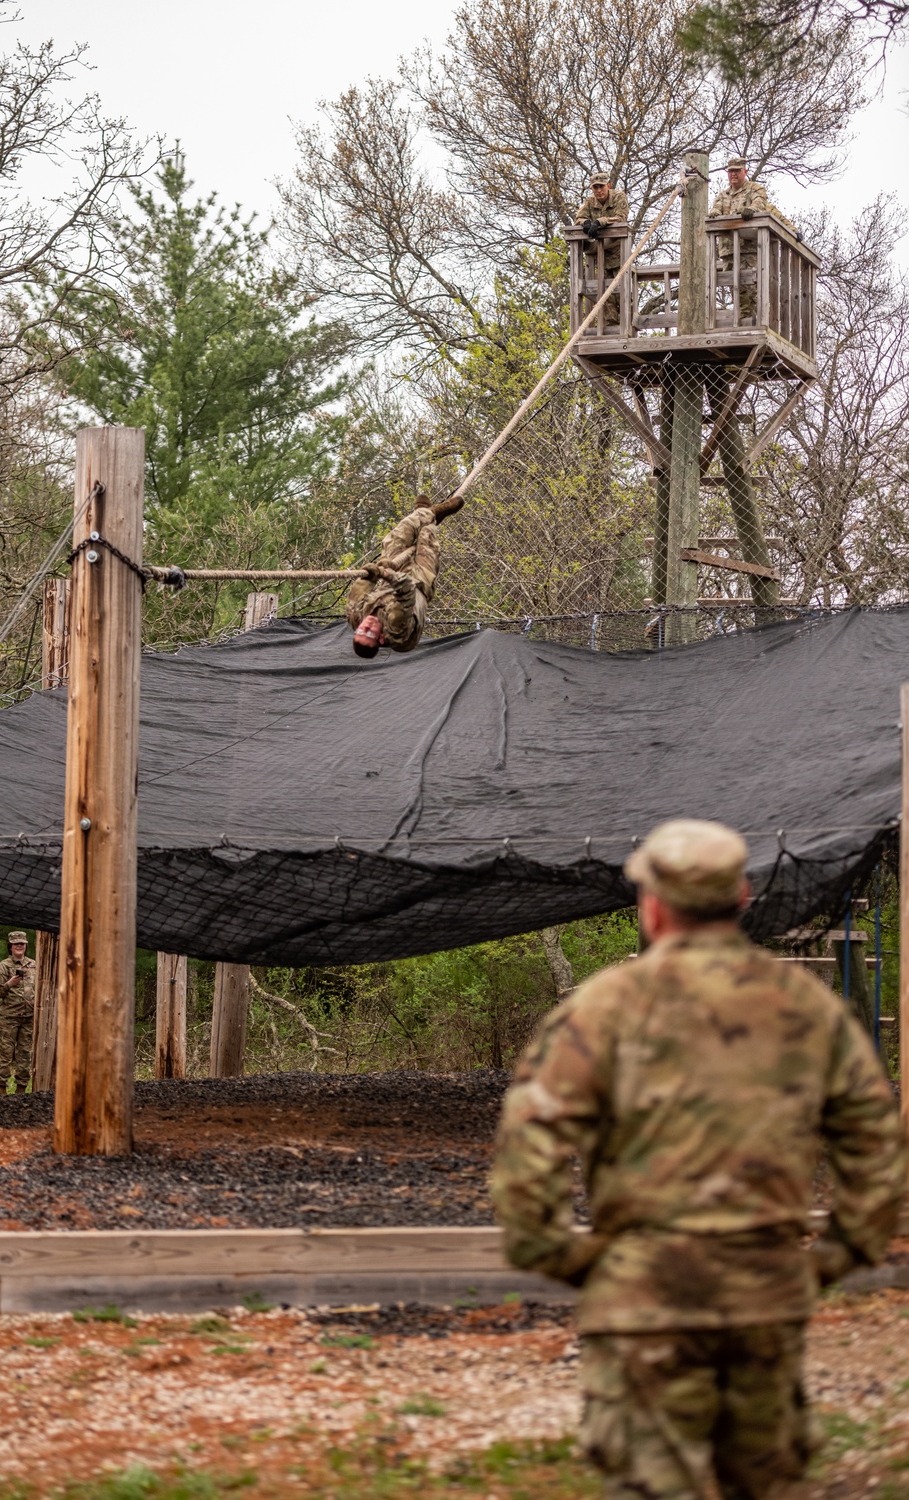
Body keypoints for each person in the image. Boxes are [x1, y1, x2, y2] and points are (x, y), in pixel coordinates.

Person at [491, 818, 906, 1500]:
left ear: (651, 904)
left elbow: (528, 1148)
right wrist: (833, 1257)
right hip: (766, 1291)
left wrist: (570, 1258)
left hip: (644, 1294)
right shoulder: (807, 1008)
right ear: (742, 896)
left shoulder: (604, 1008)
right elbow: (876, 1145)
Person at [346, 495, 463, 658]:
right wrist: (386, 573)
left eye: (360, 631)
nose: (366, 627)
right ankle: (428, 514)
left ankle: (427, 513)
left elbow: (359, 590)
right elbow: (406, 590)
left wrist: (372, 574)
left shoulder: (356, 617)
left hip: (392, 577)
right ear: (380, 639)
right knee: (425, 535)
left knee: (394, 538)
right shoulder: (396, 629)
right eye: (370, 634)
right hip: (420, 582)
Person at [708, 156, 798, 320]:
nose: (733, 175)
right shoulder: (723, 195)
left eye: (737, 171)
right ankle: (744, 320)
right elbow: (715, 211)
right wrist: (714, 215)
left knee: (752, 286)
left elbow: (762, 205)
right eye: (730, 172)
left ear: (745, 171)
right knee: (734, 287)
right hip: (728, 250)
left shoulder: (755, 189)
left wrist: (751, 210)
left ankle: (758, 320)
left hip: (748, 249)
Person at [573, 172, 630, 328]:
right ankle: (612, 324)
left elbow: (621, 217)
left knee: (623, 288)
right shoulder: (590, 202)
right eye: (595, 187)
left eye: (601, 187)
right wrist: (585, 223)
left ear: (608, 186)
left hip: (619, 250)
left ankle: (626, 323)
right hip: (601, 252)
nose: (599, 191)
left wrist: (601, 222)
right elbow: (579, 217)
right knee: (605, 290)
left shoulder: (618, 197)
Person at [0, 930, 36, 1096]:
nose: (19, 946)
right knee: (5, 1055)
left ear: (26, 946)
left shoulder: (34, 965)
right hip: (8, 1019)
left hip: (28, 1019)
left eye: (22, 943)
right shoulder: (4, 966)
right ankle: (1, 1092)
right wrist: (9, 983)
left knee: (25, 1055)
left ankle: (21, 1092)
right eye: (16, 943)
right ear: (10, 947)